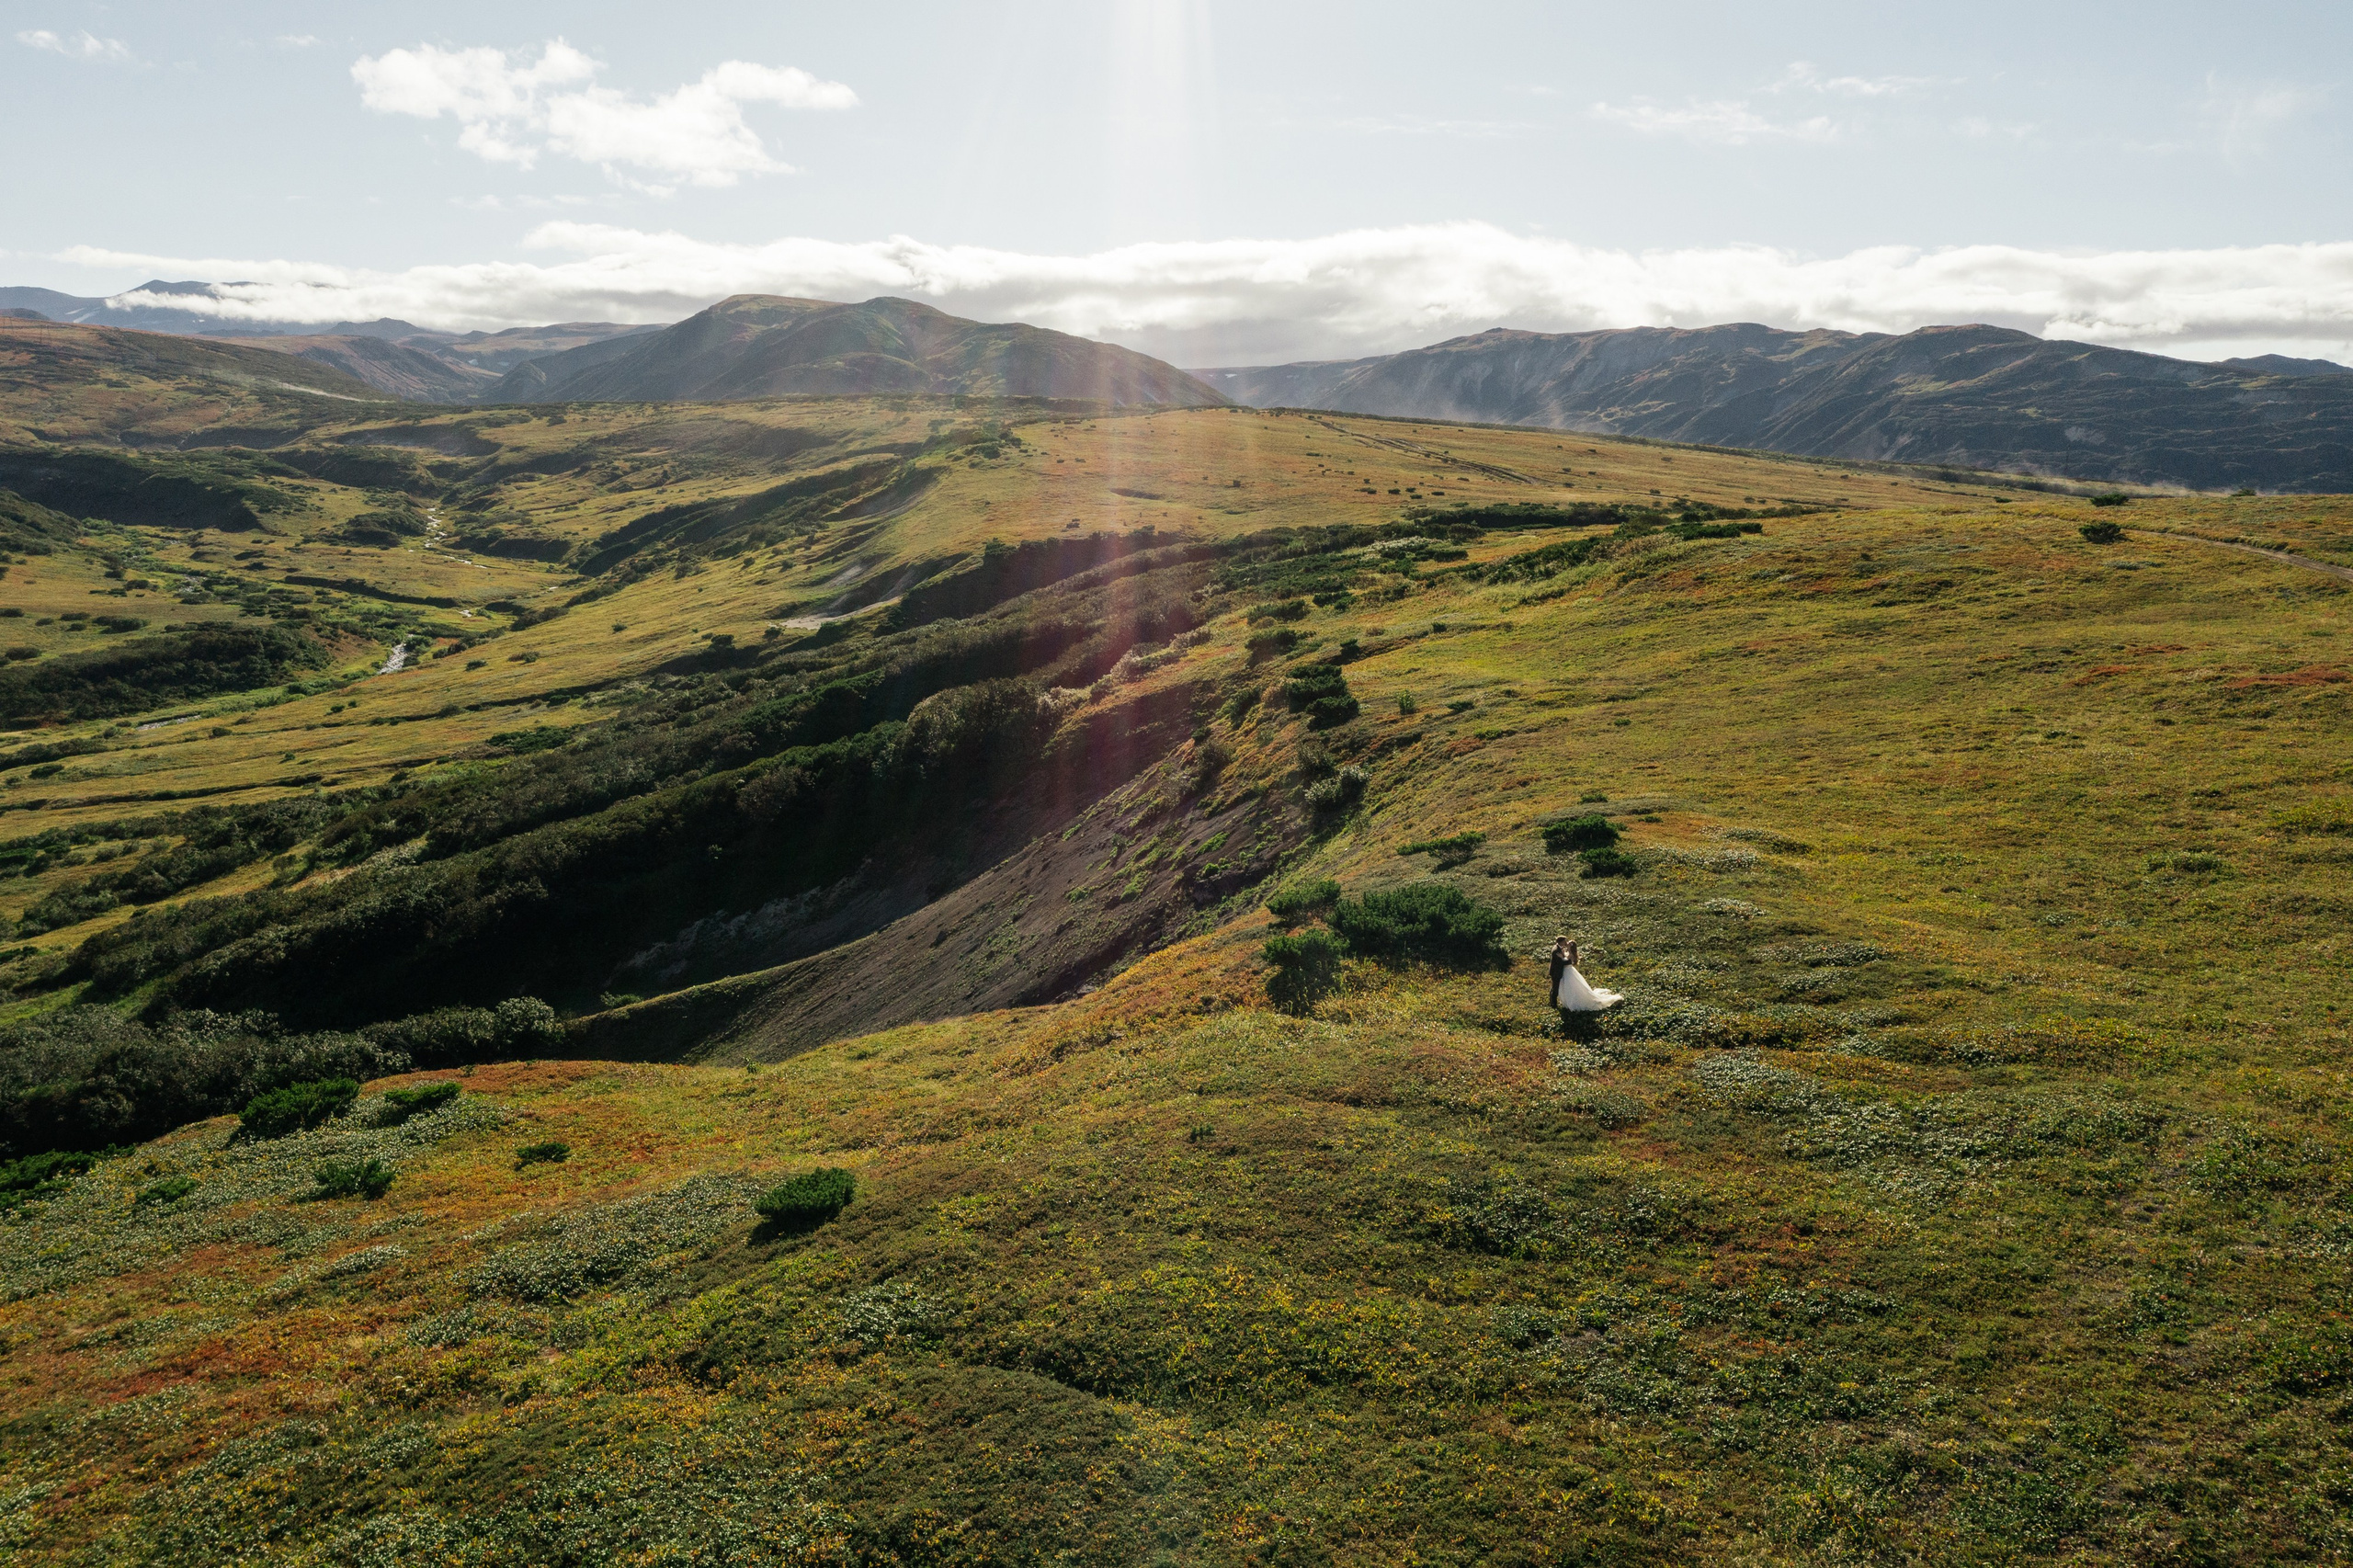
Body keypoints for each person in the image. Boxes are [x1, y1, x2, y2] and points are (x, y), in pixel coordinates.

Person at [1549, 935, 1623, 1013]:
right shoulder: (1560, 950)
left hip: (1568, 972)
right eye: (1566, 941)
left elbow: (1569, 962)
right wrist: (1563, 956)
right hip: (1562, 972)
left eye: (1568, 943)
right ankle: (1555, 1002)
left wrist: (1563, 957)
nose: (1566, 943)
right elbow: (1562, 960)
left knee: (1569, 987)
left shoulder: (1569, 953)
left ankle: (1564, 1002)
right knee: (1558, 987)